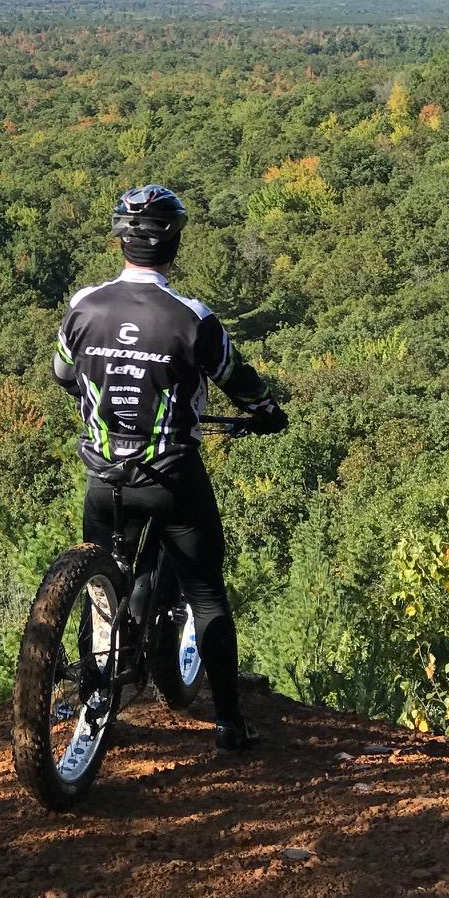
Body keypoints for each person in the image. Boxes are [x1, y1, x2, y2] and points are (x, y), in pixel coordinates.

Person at [51, 183, 286, 753]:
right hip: (170, 477)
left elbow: (62, 374)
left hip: (103, 474)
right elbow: (238, 380)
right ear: (175, 242)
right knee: (206, 593)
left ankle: (95, 692)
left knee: (101, 589)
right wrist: (265, 413)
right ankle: (230, 724)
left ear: (120, 239)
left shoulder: (84, 305)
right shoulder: (194, 319)